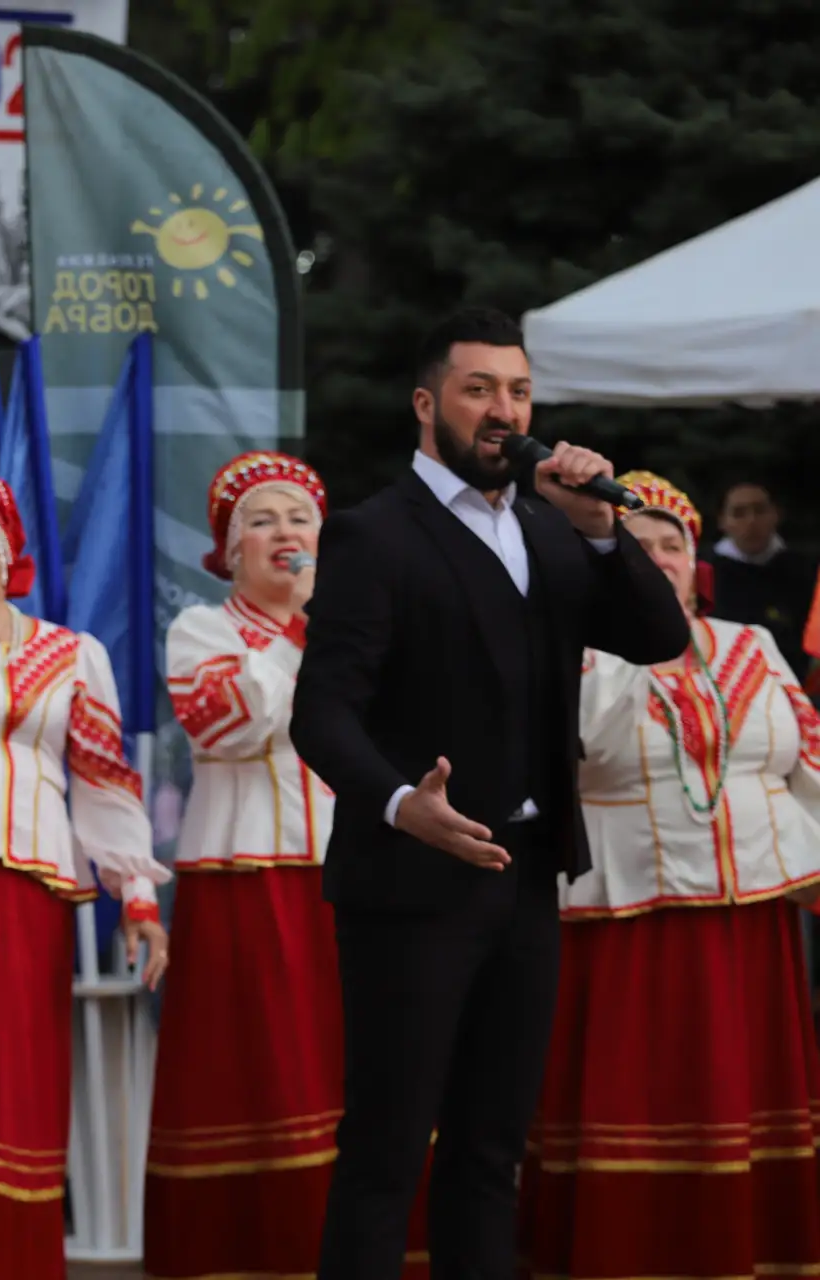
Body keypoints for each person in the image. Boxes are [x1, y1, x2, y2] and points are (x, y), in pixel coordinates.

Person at [289, 307, 690, 1280]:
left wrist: (602, 528)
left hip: (525, 882)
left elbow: (658, 635)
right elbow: (323, 714)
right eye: (479, 390)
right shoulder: (372, 536)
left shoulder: (555, 535)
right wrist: (398, 802)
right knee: (387, 1152)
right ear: (429, 404)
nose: (504, 411)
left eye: (518, 390)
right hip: (408, 886)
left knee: (490, 1151)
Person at [520, 472, 820, 1280]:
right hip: (627, 914)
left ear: (696, 561)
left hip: (745, 912)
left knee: (745, 1094)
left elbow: (808, 753)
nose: (654, 559)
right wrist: (618, 629)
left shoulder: (751, 645)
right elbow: (590, 749)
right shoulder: (575, 655)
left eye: (668, 545)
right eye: (633, 546)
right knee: (633, 1089)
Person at [147, 451, 426, 1280]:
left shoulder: (367, 630)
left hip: (355, 871)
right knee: (261, 1070)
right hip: (246, 879)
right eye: (260, 522)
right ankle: (258, 1256)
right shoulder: (202, 630)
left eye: (299, 518)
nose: (284, 534)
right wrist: (308, 625)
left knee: (366, 1064)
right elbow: (226, 723)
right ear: (227, 553)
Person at [0, 457, 169, 1280]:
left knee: (15, 1091)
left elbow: (104, 783)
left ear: (8, 536)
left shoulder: (71, 654)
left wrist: (136, 896)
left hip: (29, 894)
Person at [707, 479, 813, 683]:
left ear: (776, 514)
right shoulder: (703, 572)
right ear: (722, 520)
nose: (751, 521)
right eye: (739, 513)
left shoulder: (805, 571)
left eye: (760, 510)